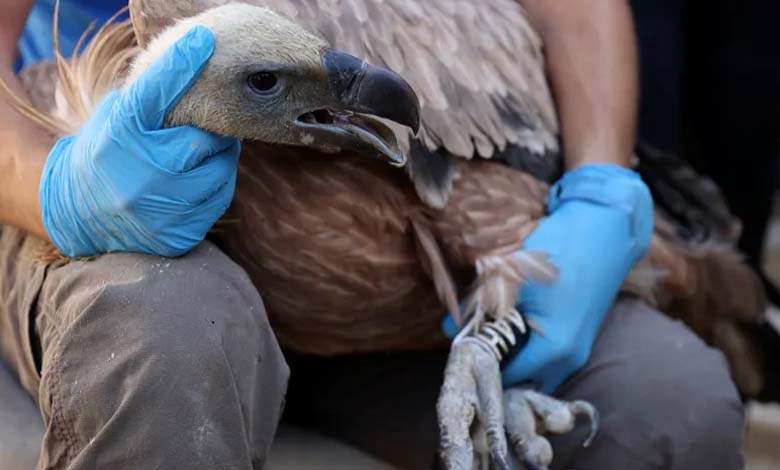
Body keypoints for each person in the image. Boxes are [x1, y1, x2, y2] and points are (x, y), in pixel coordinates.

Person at [0, 1, 744, 470]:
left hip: (411, 259)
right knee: (167, 338)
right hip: (128, 193)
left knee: (668, 407)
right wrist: (64, 192)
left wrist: (601, 192)